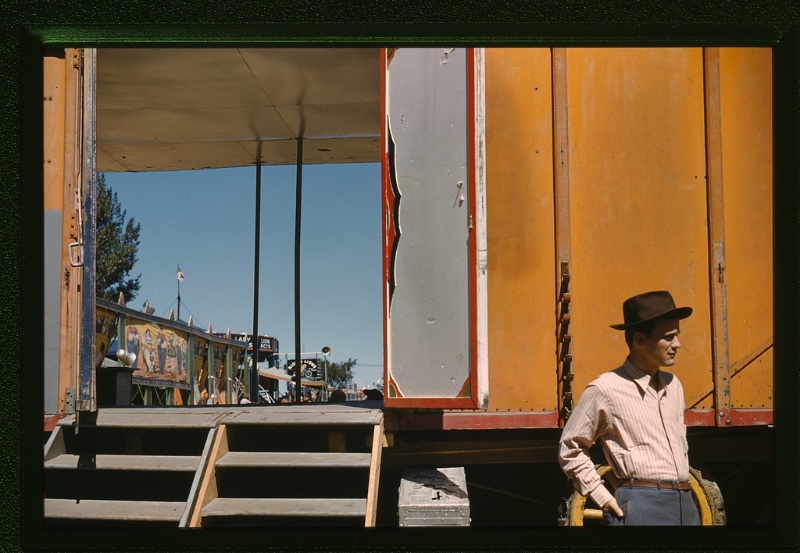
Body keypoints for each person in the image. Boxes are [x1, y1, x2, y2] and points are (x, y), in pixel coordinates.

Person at [558, 290, 700, 526]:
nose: (678, 344)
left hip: (686, 504)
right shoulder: (605, 389)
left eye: (677, 335)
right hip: (641, 506)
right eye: (669, 337)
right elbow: (570, 448)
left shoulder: (674, 386)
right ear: (640, 340)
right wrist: (602, 496)